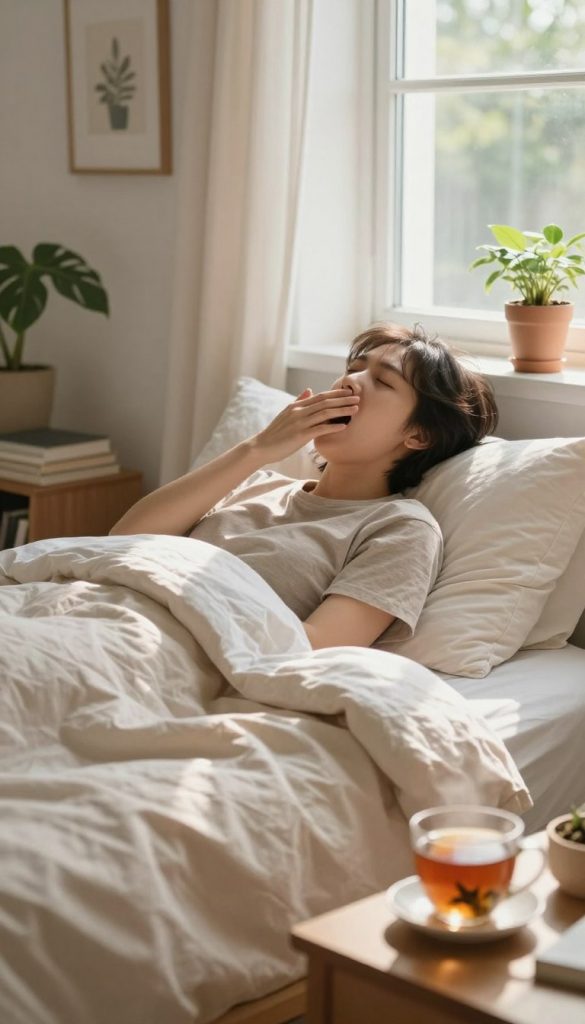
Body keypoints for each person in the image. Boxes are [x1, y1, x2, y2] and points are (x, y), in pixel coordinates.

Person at [111, 322, 498, 650]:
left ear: (418, 435)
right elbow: (123, 541)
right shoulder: (257, 483)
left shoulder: (400, 529)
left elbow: (316, 644)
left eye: (381, 380)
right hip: (110, 615)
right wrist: (256, 450)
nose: (350, 380)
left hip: (167, 648)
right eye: (354, 367)